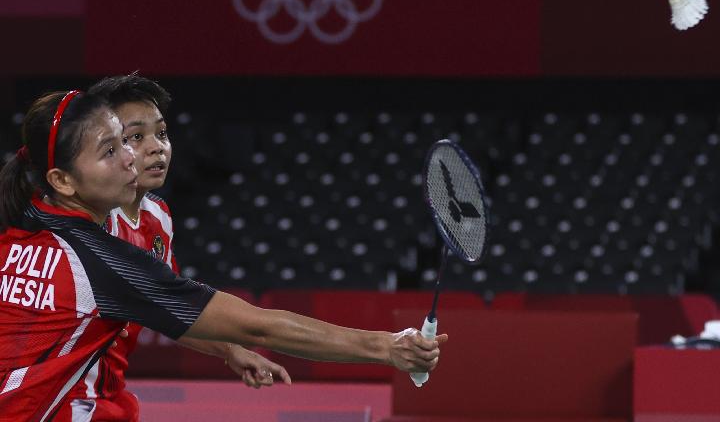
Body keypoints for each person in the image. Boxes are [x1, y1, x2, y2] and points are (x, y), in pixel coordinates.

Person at [0, 90, 447, 421]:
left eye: (128, 142)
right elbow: (259, 324)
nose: (132, 159)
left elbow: (168, 311)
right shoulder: (102, 261)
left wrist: (228, 350)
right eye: (112, 150)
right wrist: (385, 346)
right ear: (62, 180)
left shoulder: (24, 227)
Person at [61, 76, 288, 422]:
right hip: (59, 399)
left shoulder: (158, 217)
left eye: (162, 134)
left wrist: (229, 350)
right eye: (135, 137)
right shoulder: (85, 221)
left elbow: (172, 311)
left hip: (107, 397)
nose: (157, 148)